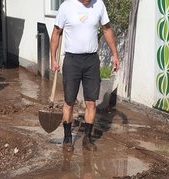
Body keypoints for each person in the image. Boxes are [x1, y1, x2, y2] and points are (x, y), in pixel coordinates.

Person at [50, 0, 120, 152]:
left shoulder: (99, 5)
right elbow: (56, 32)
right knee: (69, 101)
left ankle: (87, 138)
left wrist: (115, 54)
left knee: (91, 103)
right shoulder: (66, 6)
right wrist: (53, 58)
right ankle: (68, 138)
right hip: (72, 60)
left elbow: (107, 29)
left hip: (91, 60)